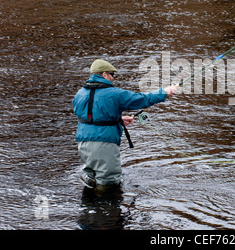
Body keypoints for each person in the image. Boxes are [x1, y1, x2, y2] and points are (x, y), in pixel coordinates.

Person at [73, 59, 177, 190]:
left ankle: (89, 207)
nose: (113, 78)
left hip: (83, 144)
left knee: (92, 178)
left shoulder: (80, 94)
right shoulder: (115, 94)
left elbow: (88, 116)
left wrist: (117, 119)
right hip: (103, 143)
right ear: (104, 74)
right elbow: (143, 99)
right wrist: (165, 92)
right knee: (109, 182)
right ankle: (106, 209)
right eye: (112, 75)